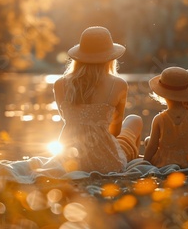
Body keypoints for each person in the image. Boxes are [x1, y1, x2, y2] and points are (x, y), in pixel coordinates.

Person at [53, 26, 143, 173]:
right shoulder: (119, 84)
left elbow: (68, 121)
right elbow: (115, 132)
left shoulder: (59, 84)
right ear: (110, 57)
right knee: (134, 120)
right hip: (107, 162)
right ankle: (133, 160)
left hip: (68, 161)